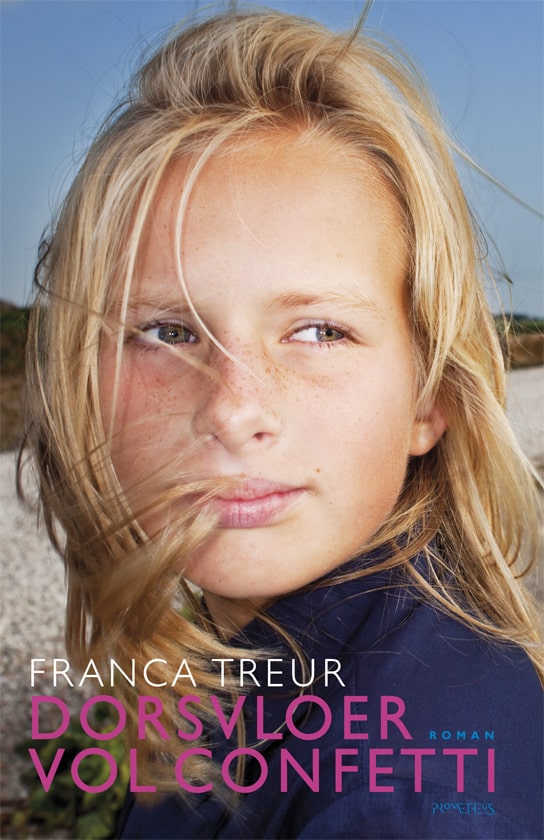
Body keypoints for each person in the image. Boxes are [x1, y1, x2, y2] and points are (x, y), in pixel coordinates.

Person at [20, 6, 542, 839]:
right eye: (168, 332)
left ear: (429, 394)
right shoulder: (251, 667)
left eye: (319, 331)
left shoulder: (407, 800)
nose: (233, 410)